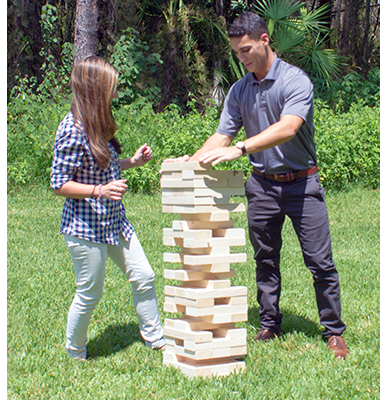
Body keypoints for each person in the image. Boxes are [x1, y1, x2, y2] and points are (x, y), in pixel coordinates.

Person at [163, 12, 349, 359]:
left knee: (320, 261)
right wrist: (191, 160)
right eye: (237, 53)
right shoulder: (240, 89)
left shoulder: (295, 81)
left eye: (246, 49)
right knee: (265, 257)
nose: (243, 58)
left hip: (302, 184)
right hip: (262, 186)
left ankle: (334, 331)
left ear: (265, 40)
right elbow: (223, 135)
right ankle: (269, 322)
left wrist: (242, 148)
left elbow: (289, 127)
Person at [51, 56, 165, 360]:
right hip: (86, 227)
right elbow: (58, 183)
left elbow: (102, 165)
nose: (117, 92)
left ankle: (156, 339)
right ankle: (75, 352)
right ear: (96, 89)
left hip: (115, 222)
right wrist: (99, 190)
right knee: (91, 292)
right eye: (113, 87)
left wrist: (133, 162)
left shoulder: (98, 121)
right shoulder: (72, 129)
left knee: (144, 276)